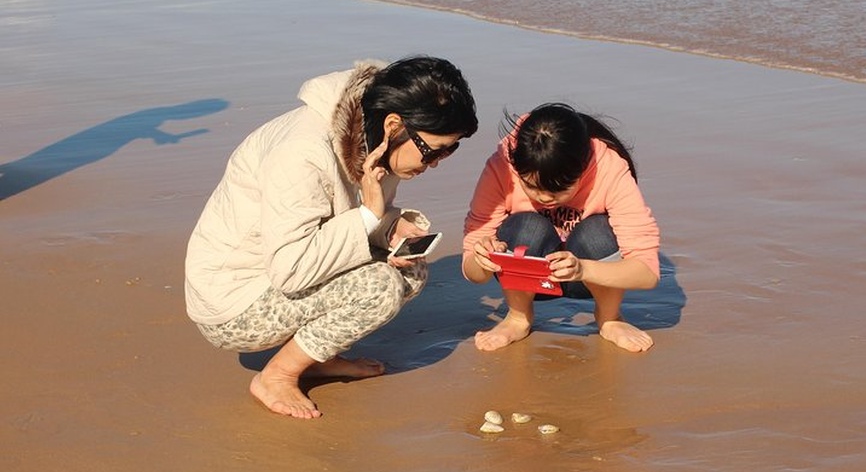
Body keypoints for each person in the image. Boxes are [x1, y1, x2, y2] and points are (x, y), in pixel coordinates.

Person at [185, 56, 478, 418]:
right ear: (394, 125)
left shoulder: (377, 136)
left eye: (450, 150)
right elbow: (290, 270)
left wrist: (388, 225)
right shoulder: (302, 154)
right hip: (232, 301)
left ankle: (318, 355)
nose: (436, 161)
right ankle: (276, 376)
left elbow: (342, 223)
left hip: (283, 271)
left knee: (410, 272)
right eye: (434, 150)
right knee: (380, 287)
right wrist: (371, 217)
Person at [462, 102, 659, 353]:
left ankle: (610, 318)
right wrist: (483, 258)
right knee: (525, 226)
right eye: (531, 186)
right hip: (529, 279)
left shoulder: (609, 168)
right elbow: (473, 270)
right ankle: (518, 317)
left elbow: (647, 272)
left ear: (584, 167)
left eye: (558, 190)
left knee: (598, 231)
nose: (544, 198)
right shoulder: (501, 166)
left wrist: (582, 269)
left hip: (590, 276)